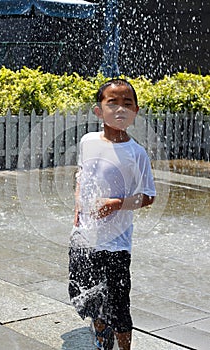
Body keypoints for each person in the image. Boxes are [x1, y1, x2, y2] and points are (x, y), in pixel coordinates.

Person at [68, 79, 156, 350]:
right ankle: (100, 335)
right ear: (98, 111)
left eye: (127, 104)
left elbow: (149, 196)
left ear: (136, 111)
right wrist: (77, 210)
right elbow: (83, 174)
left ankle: (123, 345)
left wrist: (116, 203)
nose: (120, 109)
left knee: (119, 306)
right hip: (85, 238)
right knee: (87, 296)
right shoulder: (88, 141)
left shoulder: (136, 153)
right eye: (112, 103)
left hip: (117, 244)